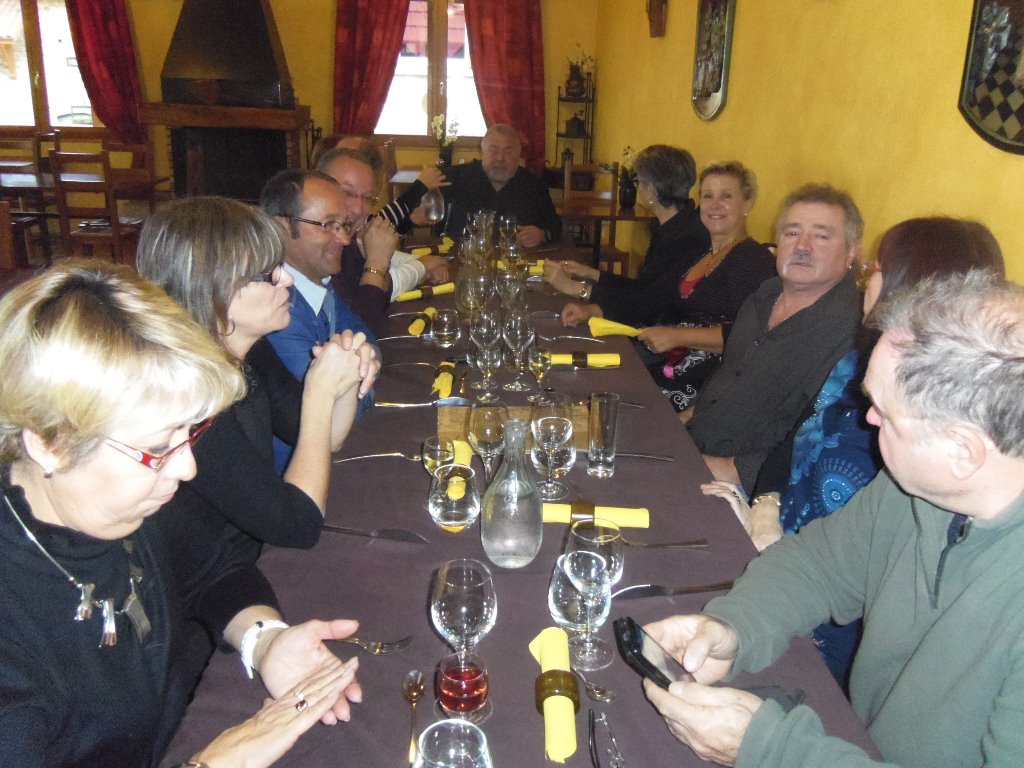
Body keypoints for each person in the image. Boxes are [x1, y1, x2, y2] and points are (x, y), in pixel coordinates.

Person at [643, 270, 1024, 768]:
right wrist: (734, 628)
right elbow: (818, 565)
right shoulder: (916, 492)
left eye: (885, 414)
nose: (867, 419)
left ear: (963, 452)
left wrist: (771, 750)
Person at [0, 260, 364, 767]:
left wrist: (264, 640)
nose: (187, 467)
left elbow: (212, 571)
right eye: (156, 448)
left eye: (189, 433)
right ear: (50, 445)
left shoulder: (124, 507)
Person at [703, 216, 1005, 687]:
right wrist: (765, 506)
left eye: (876, 268)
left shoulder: (919, 457)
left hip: (826, 639)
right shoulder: (863, 367)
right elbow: (822, 546)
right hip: (784, 570)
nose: (871, 418)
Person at [136, 197, 379, 685]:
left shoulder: (248, 351)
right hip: (192, 631)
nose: (285, 279)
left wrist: (347, 379)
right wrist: (320, 394)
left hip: (239, 584)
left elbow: (324, 439)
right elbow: (297, 524)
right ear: (211, 289)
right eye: (267, 274)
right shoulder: (185, 399)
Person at [684, 183, 863, 493]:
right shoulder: (763, 297)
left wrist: (725, 469)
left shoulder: (851, 334)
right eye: (792, 233)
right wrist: (680, 421)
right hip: (696, 447)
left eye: (821, 236)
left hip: (753, 490)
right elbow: (726, 379)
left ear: (851, 252)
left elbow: (816, 441)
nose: (802, 246)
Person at [259, 169, 379, 468]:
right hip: (292, 475)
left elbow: (368, 338)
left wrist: (358, 370)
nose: (345, 239)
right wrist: (364, 379)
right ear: (282, 228)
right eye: (328, 225)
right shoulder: (275, 311)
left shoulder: (318, 283)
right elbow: (326, 419)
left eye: (345, 225)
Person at [545, 144, 711, 329]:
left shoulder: (688, 239)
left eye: (639, 182)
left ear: (651, 191)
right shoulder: (675, 225)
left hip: (666, 336)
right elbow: (644, 288)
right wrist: (591, 273)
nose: (636, 187)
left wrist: (577, 289)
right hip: (652, 323)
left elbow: (649, 306)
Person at [316, 147, 449, 317]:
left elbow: (379, 294)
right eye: (347, 192)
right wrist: (380, 264)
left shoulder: (349, 240)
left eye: (368, 197)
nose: (358, 209)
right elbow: (362, 320)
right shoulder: (318, 251)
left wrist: (418, 265)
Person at [441, 123, 562, 247]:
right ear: (482, 151)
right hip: (461, 255)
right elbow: (431, 216)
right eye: (494, 150)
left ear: (518, 154)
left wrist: (542, 234)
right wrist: (428, 188)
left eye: (508, 152)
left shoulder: (533, 185)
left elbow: (556, 227)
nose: (500, 158)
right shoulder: (456, 178)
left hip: (516, 256)